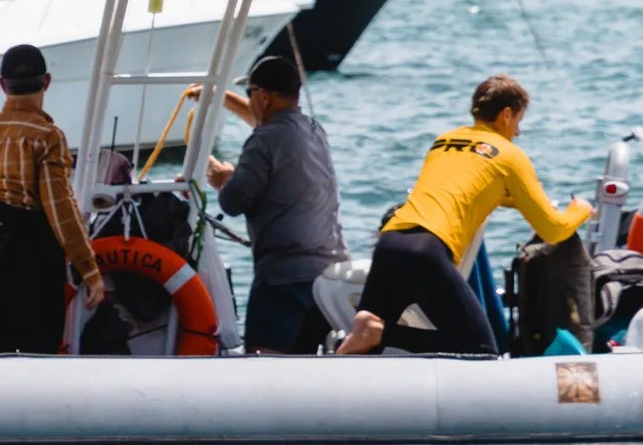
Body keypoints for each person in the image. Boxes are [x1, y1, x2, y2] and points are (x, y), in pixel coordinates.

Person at [337, 75, 592, 358]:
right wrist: (580, 210)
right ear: (506, 114)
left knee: (360, 351)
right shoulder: (509, 154)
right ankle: (381, 333)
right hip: (427, 251)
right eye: (519, 120)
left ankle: (334, 379)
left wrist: (518, 198)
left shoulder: (444, 141)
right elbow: (553, 229)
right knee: (479, 348)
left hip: (391, 242)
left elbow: (471, 189)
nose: (518, 131)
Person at [0, 40, 107, 353]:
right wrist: (89, 269)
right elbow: (60, 209)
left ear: (2, 86)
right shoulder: (47, 136)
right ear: (47, 82)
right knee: (38, 355)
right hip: (32, 263)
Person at [207, 46, 344, 354]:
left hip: (284, 280)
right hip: (327, 275)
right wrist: (222, 97)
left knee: (263, 361)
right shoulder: (313, 129)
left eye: (249, 91)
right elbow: (271, 128)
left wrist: (222, 179)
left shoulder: (263, 140)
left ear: (263, 96)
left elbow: (232, 202)